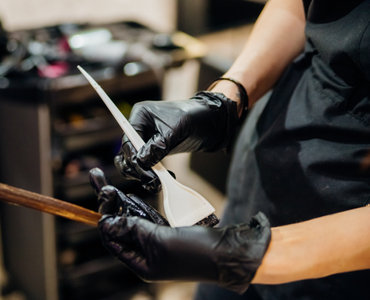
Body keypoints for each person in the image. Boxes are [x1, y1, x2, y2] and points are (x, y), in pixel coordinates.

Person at [91, 0, 370, 299]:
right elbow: (296, 7)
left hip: (342, 245)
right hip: (269, 158)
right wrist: (225, 98)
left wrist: (242, 255)